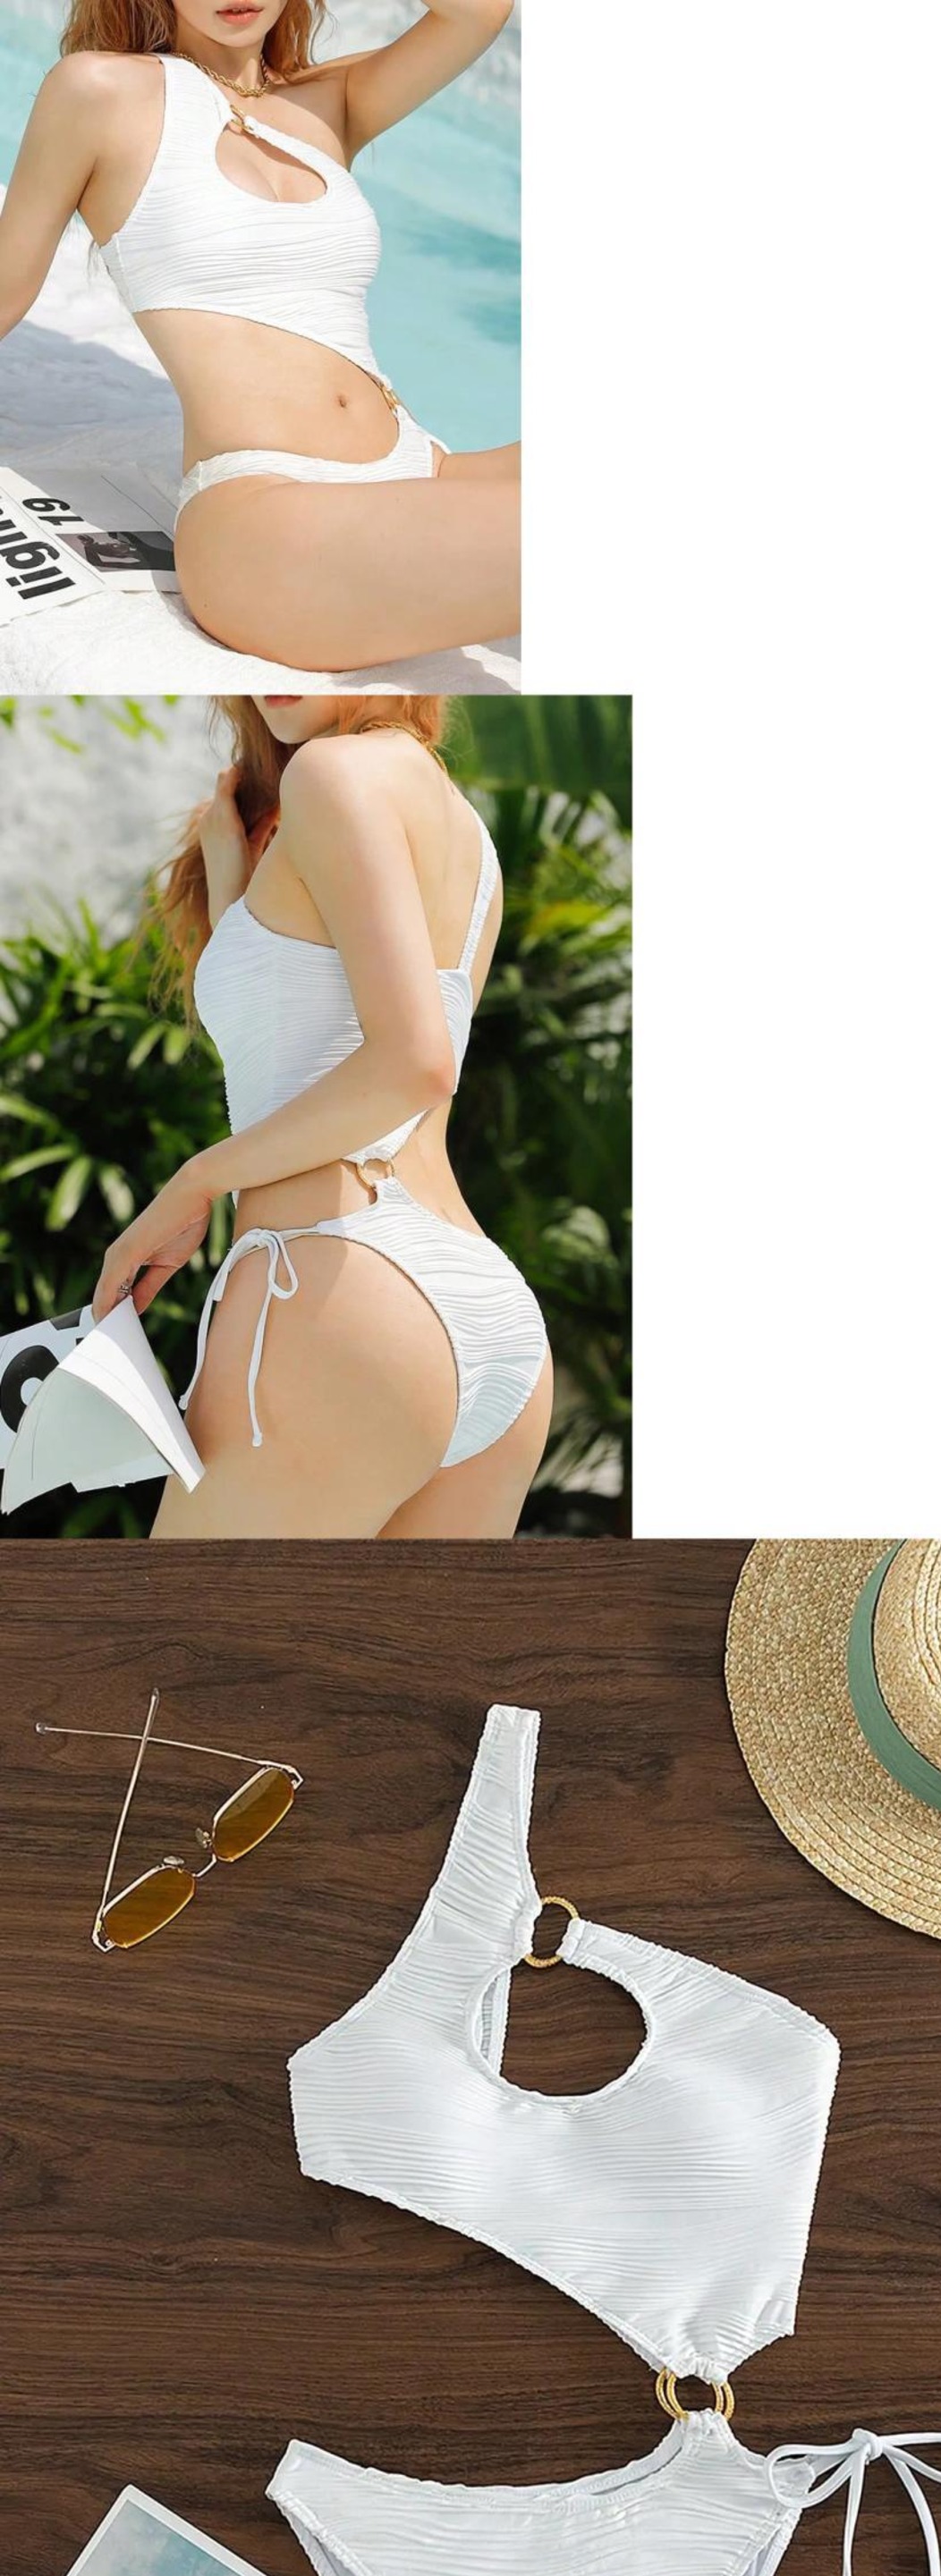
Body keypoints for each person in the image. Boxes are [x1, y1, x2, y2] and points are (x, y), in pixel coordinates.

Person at [94, 694, 553, 1539]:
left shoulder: (331, 774)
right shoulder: (467, 837)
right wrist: (233, 884)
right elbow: (300, 1029)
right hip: (489, 1321)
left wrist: (196, 1182)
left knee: (175, 1631)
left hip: (336, 1287)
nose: (277, 676)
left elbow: (414, 1062)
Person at [0, 0, 519, 663]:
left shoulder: (330, 100)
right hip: (263, 514)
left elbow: (479, 14)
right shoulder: (101, 89)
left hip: (423, 467)